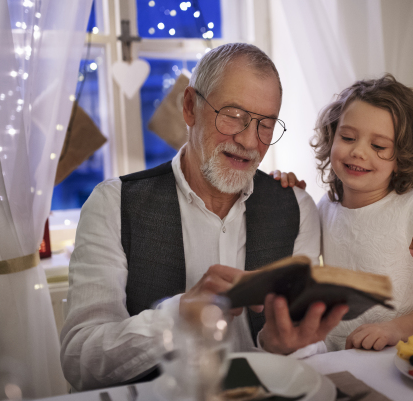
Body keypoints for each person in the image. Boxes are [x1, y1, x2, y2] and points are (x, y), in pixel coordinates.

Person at [60, 43, 348, 391]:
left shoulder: (298, 207)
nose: (248, 140)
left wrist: (283, 346)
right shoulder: (112, 204)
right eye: (233, 115)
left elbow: (309, 352)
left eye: (265, 124)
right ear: (189, 106)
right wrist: (178, 316)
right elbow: (79, 361)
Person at [273, 73, 413, 352]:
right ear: (332, 137)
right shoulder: (324, 209)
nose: (358, 151)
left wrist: (394, 329)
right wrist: (283, 191)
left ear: (403, 156)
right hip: (341, 355)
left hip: (405, 356)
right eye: (347, 137)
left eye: (378, 146)